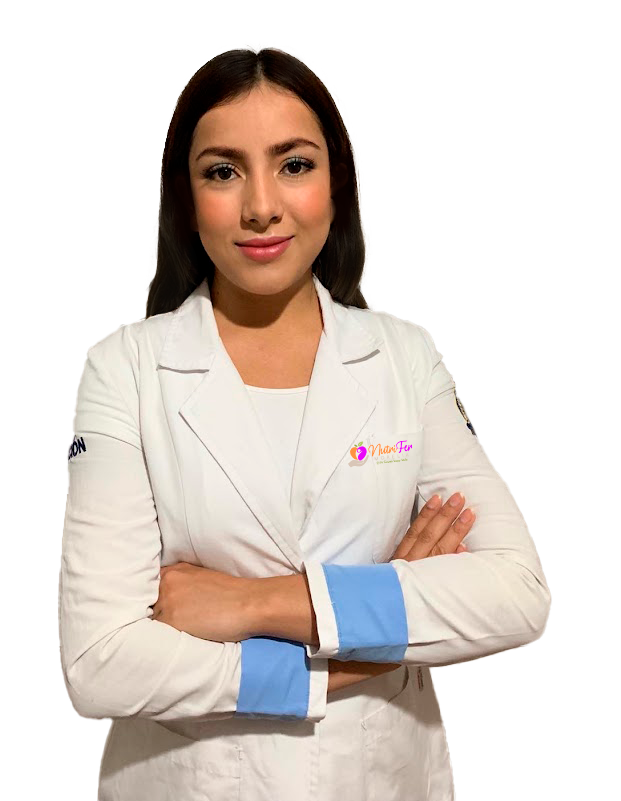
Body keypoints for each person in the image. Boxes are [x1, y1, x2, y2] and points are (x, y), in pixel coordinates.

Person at [58, 44, 552, 801]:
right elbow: (100, 662)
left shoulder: (402, 357)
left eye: (293, 164)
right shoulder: (124, 368)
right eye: (223, 171)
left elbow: (516, 591)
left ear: (337, 183)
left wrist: (252, 603)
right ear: (186, 197)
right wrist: (362, 643)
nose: (261, 206)